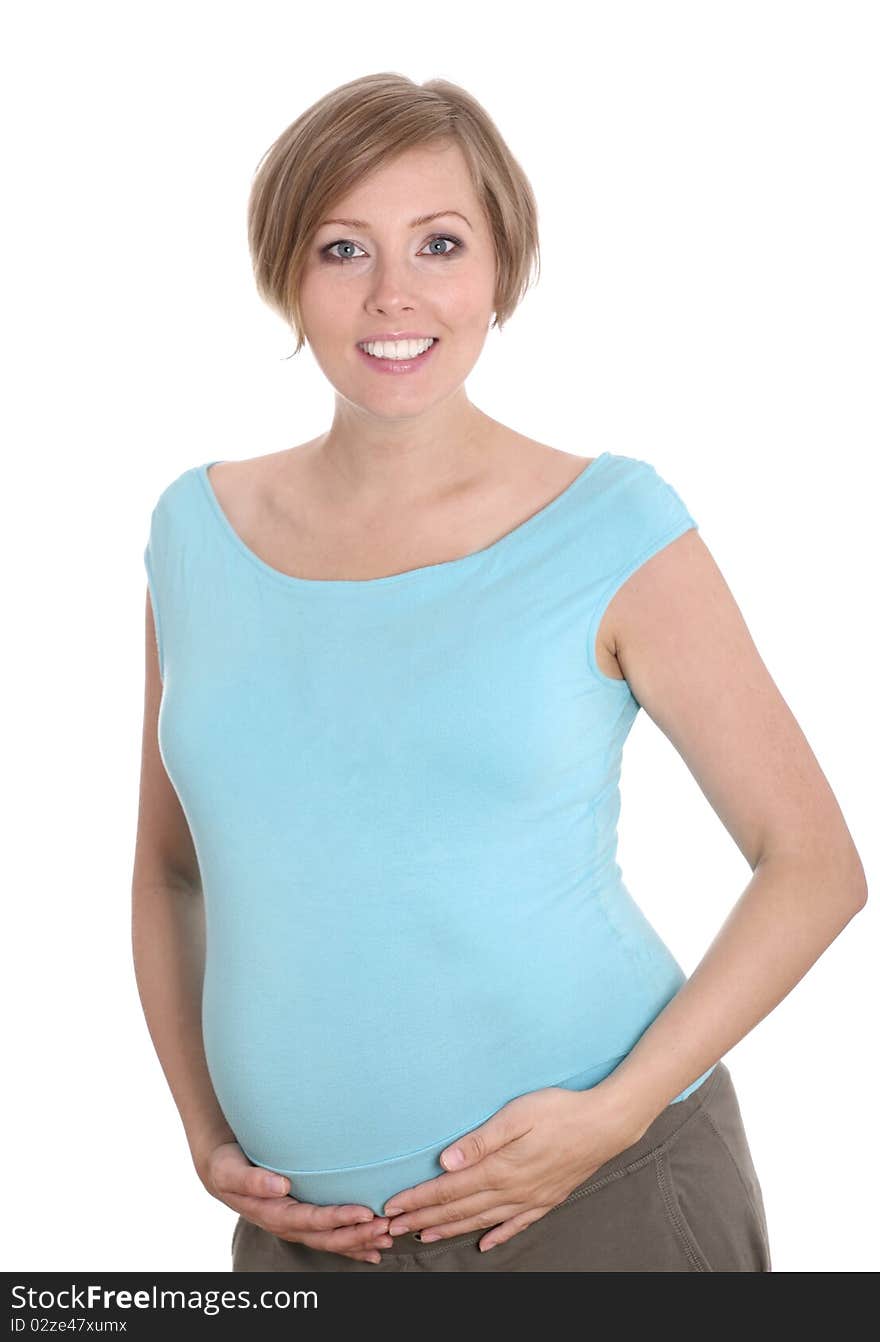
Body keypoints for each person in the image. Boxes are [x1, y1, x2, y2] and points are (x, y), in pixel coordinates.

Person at [132, 73, 868, 1274]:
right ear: (285, 273)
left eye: (439, 243)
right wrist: (205, 1135)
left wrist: (615, 1111)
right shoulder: (192, 532)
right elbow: (171, 872)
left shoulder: (613, 525)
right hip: (304, 1245)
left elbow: (816, 868)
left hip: (594, 1206)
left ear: (500, 272)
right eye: (340, 248)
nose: (393, 295)